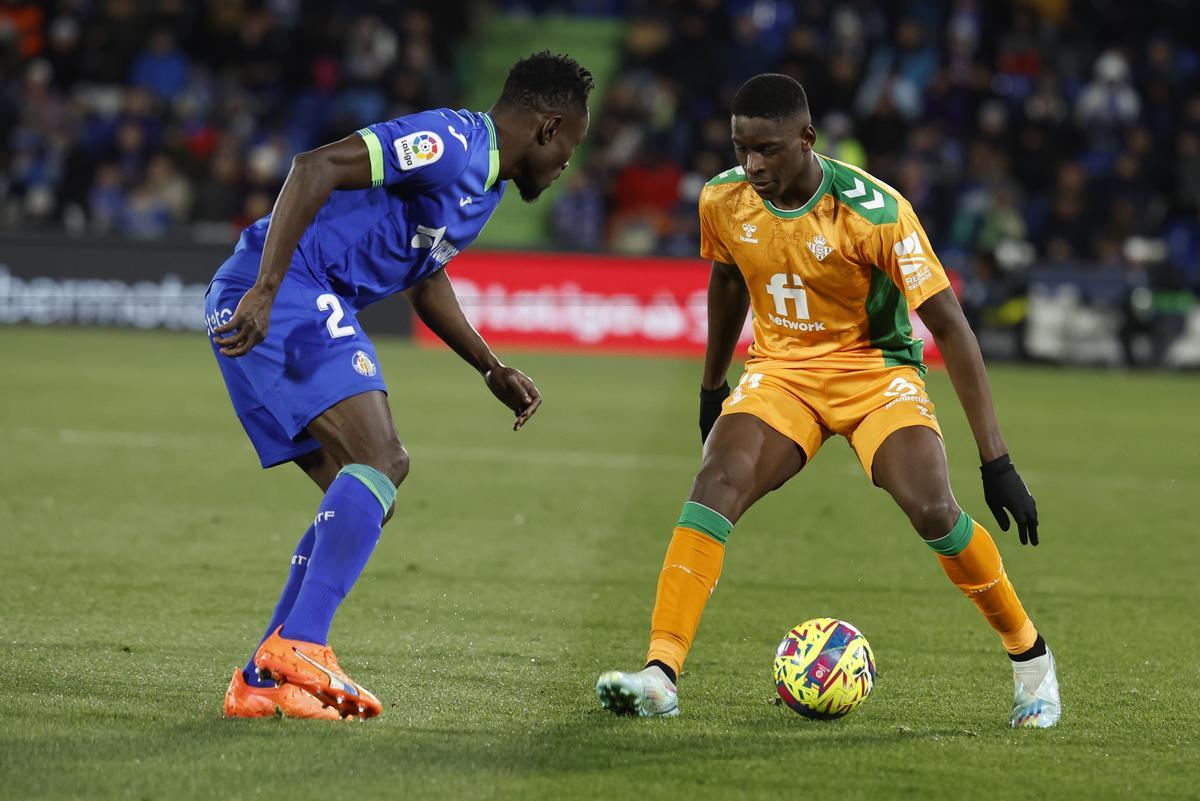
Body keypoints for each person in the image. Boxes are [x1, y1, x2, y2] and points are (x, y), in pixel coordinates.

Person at [596, 74, 1060, 728]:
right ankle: (660, 674)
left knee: (933, 509)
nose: (752, 164)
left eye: (768, 149)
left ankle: (1031, 660)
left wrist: (997, 460)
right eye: (741, 148)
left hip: (875, 372)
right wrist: (711, 385)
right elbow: (727, 281)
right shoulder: (723, 200)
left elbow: (952, 327)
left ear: (807, 139)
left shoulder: (875, 211)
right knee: (713, 484)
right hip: (783, 372)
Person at [207, 51, 593, 720]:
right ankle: (301, 641)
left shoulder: (486, 189)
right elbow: (315, 166)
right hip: (283, 289)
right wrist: (268, 288)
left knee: (363, 493)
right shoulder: (452, 141)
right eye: (571, 149)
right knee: (383, 460)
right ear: (548, 127)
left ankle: (262, 678)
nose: (566, 168)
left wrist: (489, 365)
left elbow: (424, 272)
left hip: (277, 296)